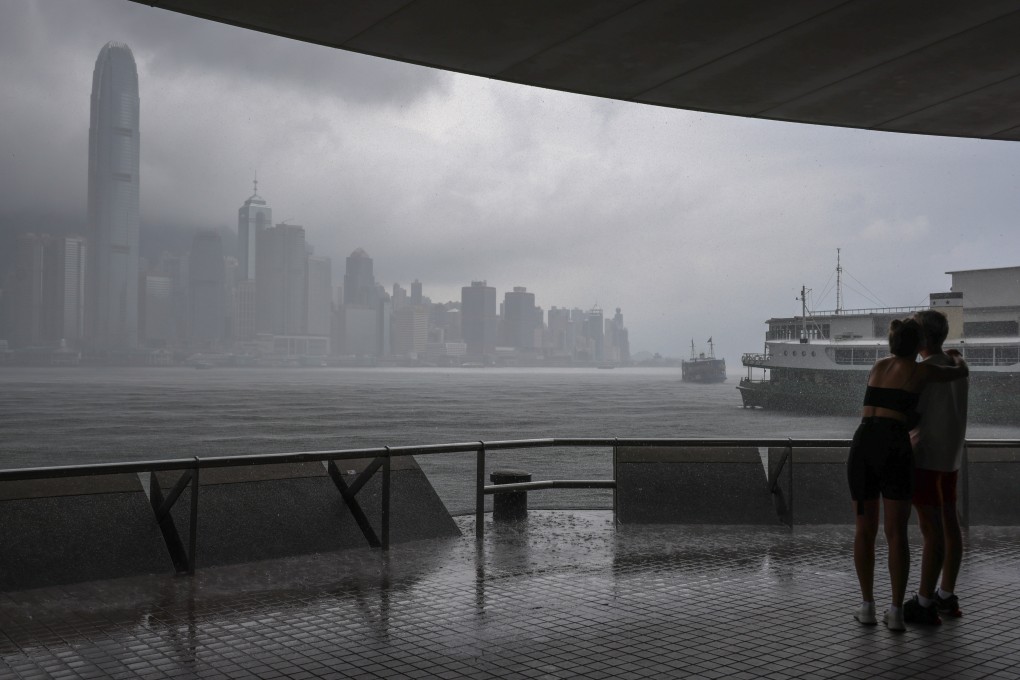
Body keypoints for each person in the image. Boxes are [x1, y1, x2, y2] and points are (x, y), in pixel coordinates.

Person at [848, 318, 968, 631]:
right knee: (896, 533)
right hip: (894, 448)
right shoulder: (921, 370)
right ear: (918, 345)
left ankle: (866, 607)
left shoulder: (877, 365)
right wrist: (955, 357)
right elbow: (959, 371)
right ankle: (897, 612)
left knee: (864, 529)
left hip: (862, 446)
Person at [902, 309, 969, 625]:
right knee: (950, 526)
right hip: (951, 459)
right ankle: (945, 594)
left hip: (926, 459)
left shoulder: (922, 372)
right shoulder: (956, 367)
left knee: (930, 533)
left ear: (922, 338)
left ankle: (924, 602)